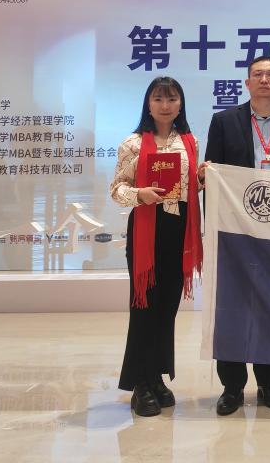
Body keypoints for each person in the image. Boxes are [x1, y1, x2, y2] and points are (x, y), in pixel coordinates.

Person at [203, 55, 270, 416]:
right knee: (231, 307)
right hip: (234, 230)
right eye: (258, 74)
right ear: (247, 83)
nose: (264, 79)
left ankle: (268, 383)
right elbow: (212, 173)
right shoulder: (224, 121)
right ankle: (231, 387)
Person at [110, 76, 202, 417]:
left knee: (167, 308)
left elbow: (188, 188)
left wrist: (202, 179)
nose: (166, 105)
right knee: (144, 307)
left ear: (181, 105)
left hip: (180, 231)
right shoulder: (132, 144)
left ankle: (158, 376)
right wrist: (140, 195)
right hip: (147, 230)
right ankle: (140, 383)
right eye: (159, 99)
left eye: (172, 99)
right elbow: (117, 189)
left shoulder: (190, 142)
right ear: (148, 105)